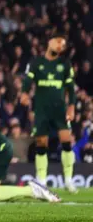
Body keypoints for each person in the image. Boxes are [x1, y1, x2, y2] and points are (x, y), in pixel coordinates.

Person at [20, 31, 77, 193]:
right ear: (50, 42)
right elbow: (27, 81)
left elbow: (71, 88)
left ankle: (68, 179)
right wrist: (24, 93)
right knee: (41, 144)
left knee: (66, 142)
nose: (61, 46)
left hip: (59, 109)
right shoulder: (36, 63)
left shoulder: (65, 64)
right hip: (42, 109)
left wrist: (71, 106)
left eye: (63, 45)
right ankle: (42, 180)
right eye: (59, 42)